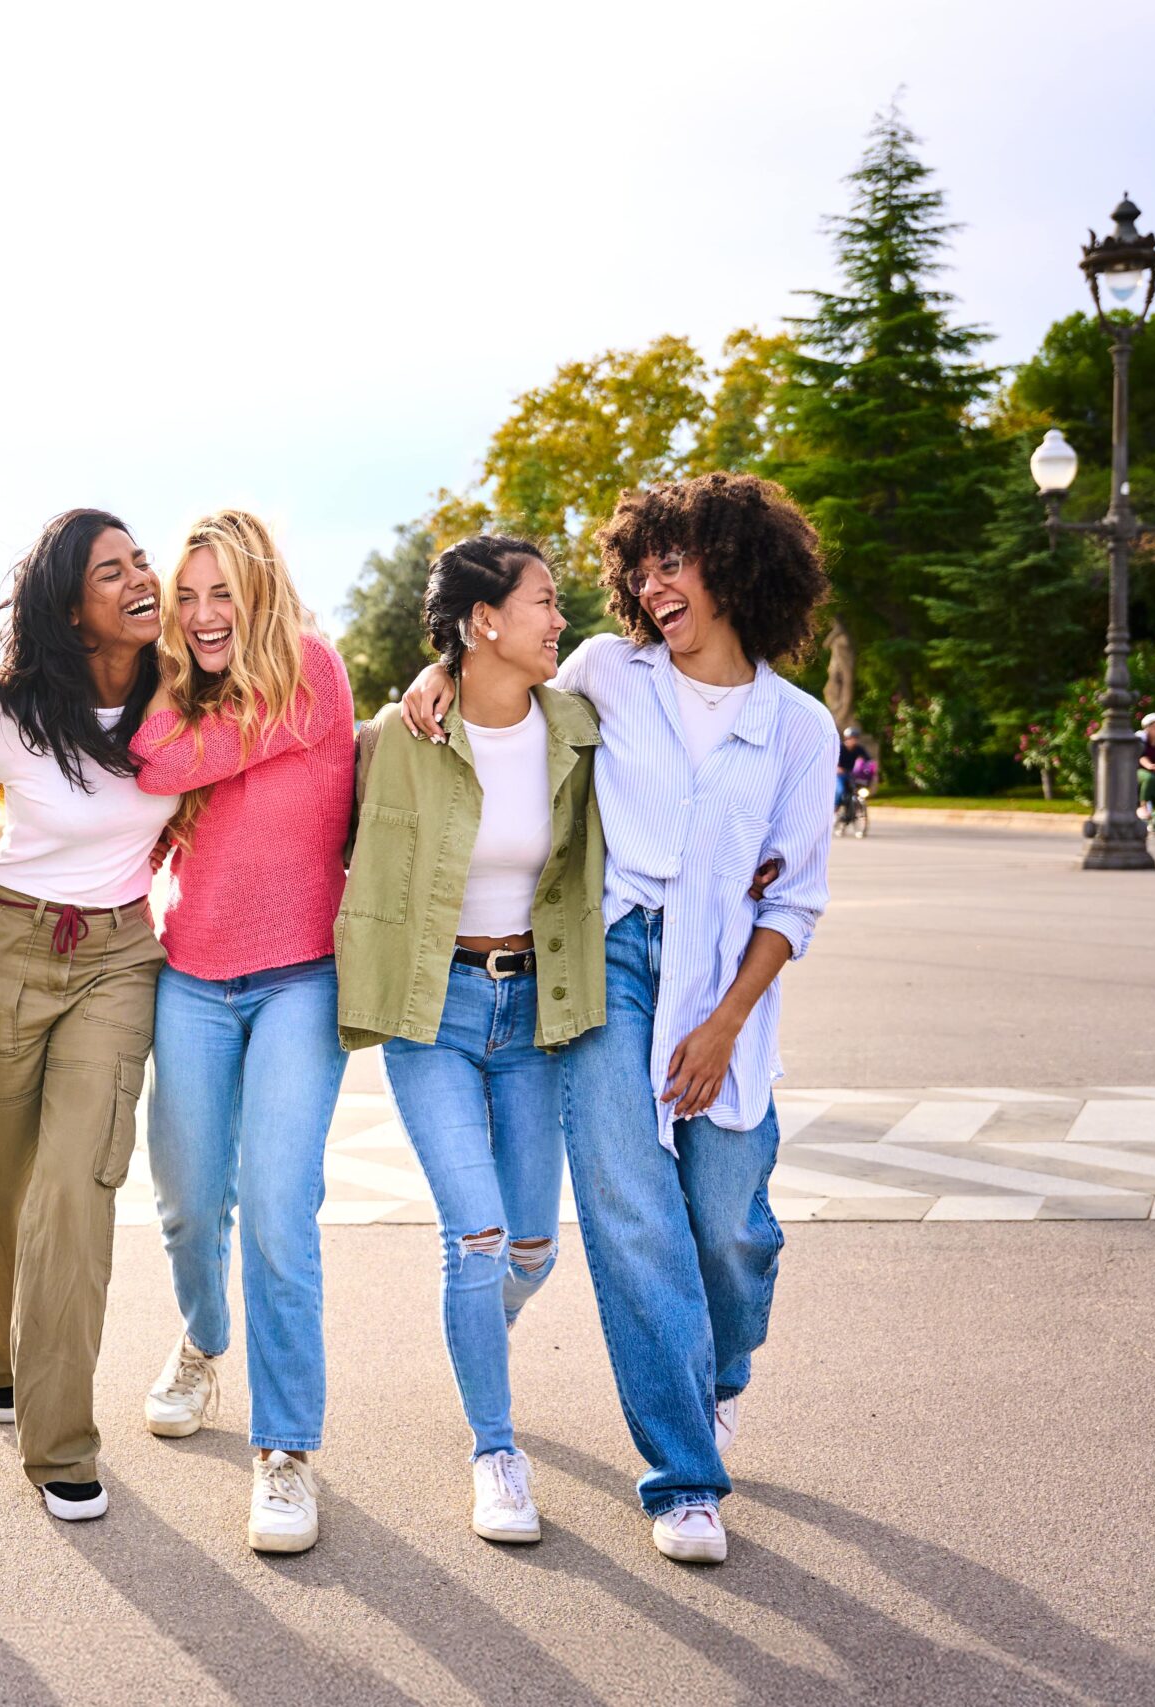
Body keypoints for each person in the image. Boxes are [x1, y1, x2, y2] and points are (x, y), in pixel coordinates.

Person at [399, 470, 835, 1565]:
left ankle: (717, 1375)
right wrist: (433, 671)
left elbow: (795, 902)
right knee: (633, 1220)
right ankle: (683, 1480)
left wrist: (728, 1020)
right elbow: (498, 679)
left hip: (726, 980)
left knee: (729, 1229)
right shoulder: (605, 672)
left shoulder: (797, 726)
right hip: (603, 960)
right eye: (641, 566)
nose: (652, 583)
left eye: (674, 561)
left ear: (734, 568)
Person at [335, 535, 603, 1546]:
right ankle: (495, 1451)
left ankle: (473, 1331)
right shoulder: (395, 738)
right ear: (485, 618)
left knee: (531, 1252)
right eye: (543, 600)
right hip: (433, 1013)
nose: (559, 617)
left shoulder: (578, 721)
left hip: (535, 1011)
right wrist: (429, 672)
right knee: (478, 1237)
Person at [130, 508, 356, 1555]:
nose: (206, 614)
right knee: (182, 1199)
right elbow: (146, 756)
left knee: (275, 1208)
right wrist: (180, 703)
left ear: (260, 591)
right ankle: (203, 1339)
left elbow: (175, 763)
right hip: (191, 975)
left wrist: (191, 727)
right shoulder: (175, 693)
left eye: (224, 592)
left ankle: (286, 1452)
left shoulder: (312, 670)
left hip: (298, 982)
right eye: (188, 598)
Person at [0, 508, 177, 1523]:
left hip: (120, 956)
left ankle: (60, 1443)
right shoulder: (5, 712)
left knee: (73, 1191)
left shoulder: (186, 692)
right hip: (6, 944)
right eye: (109, 572)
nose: (139, 579)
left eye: (141, 562)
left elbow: (293, 683)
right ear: (68, 607)